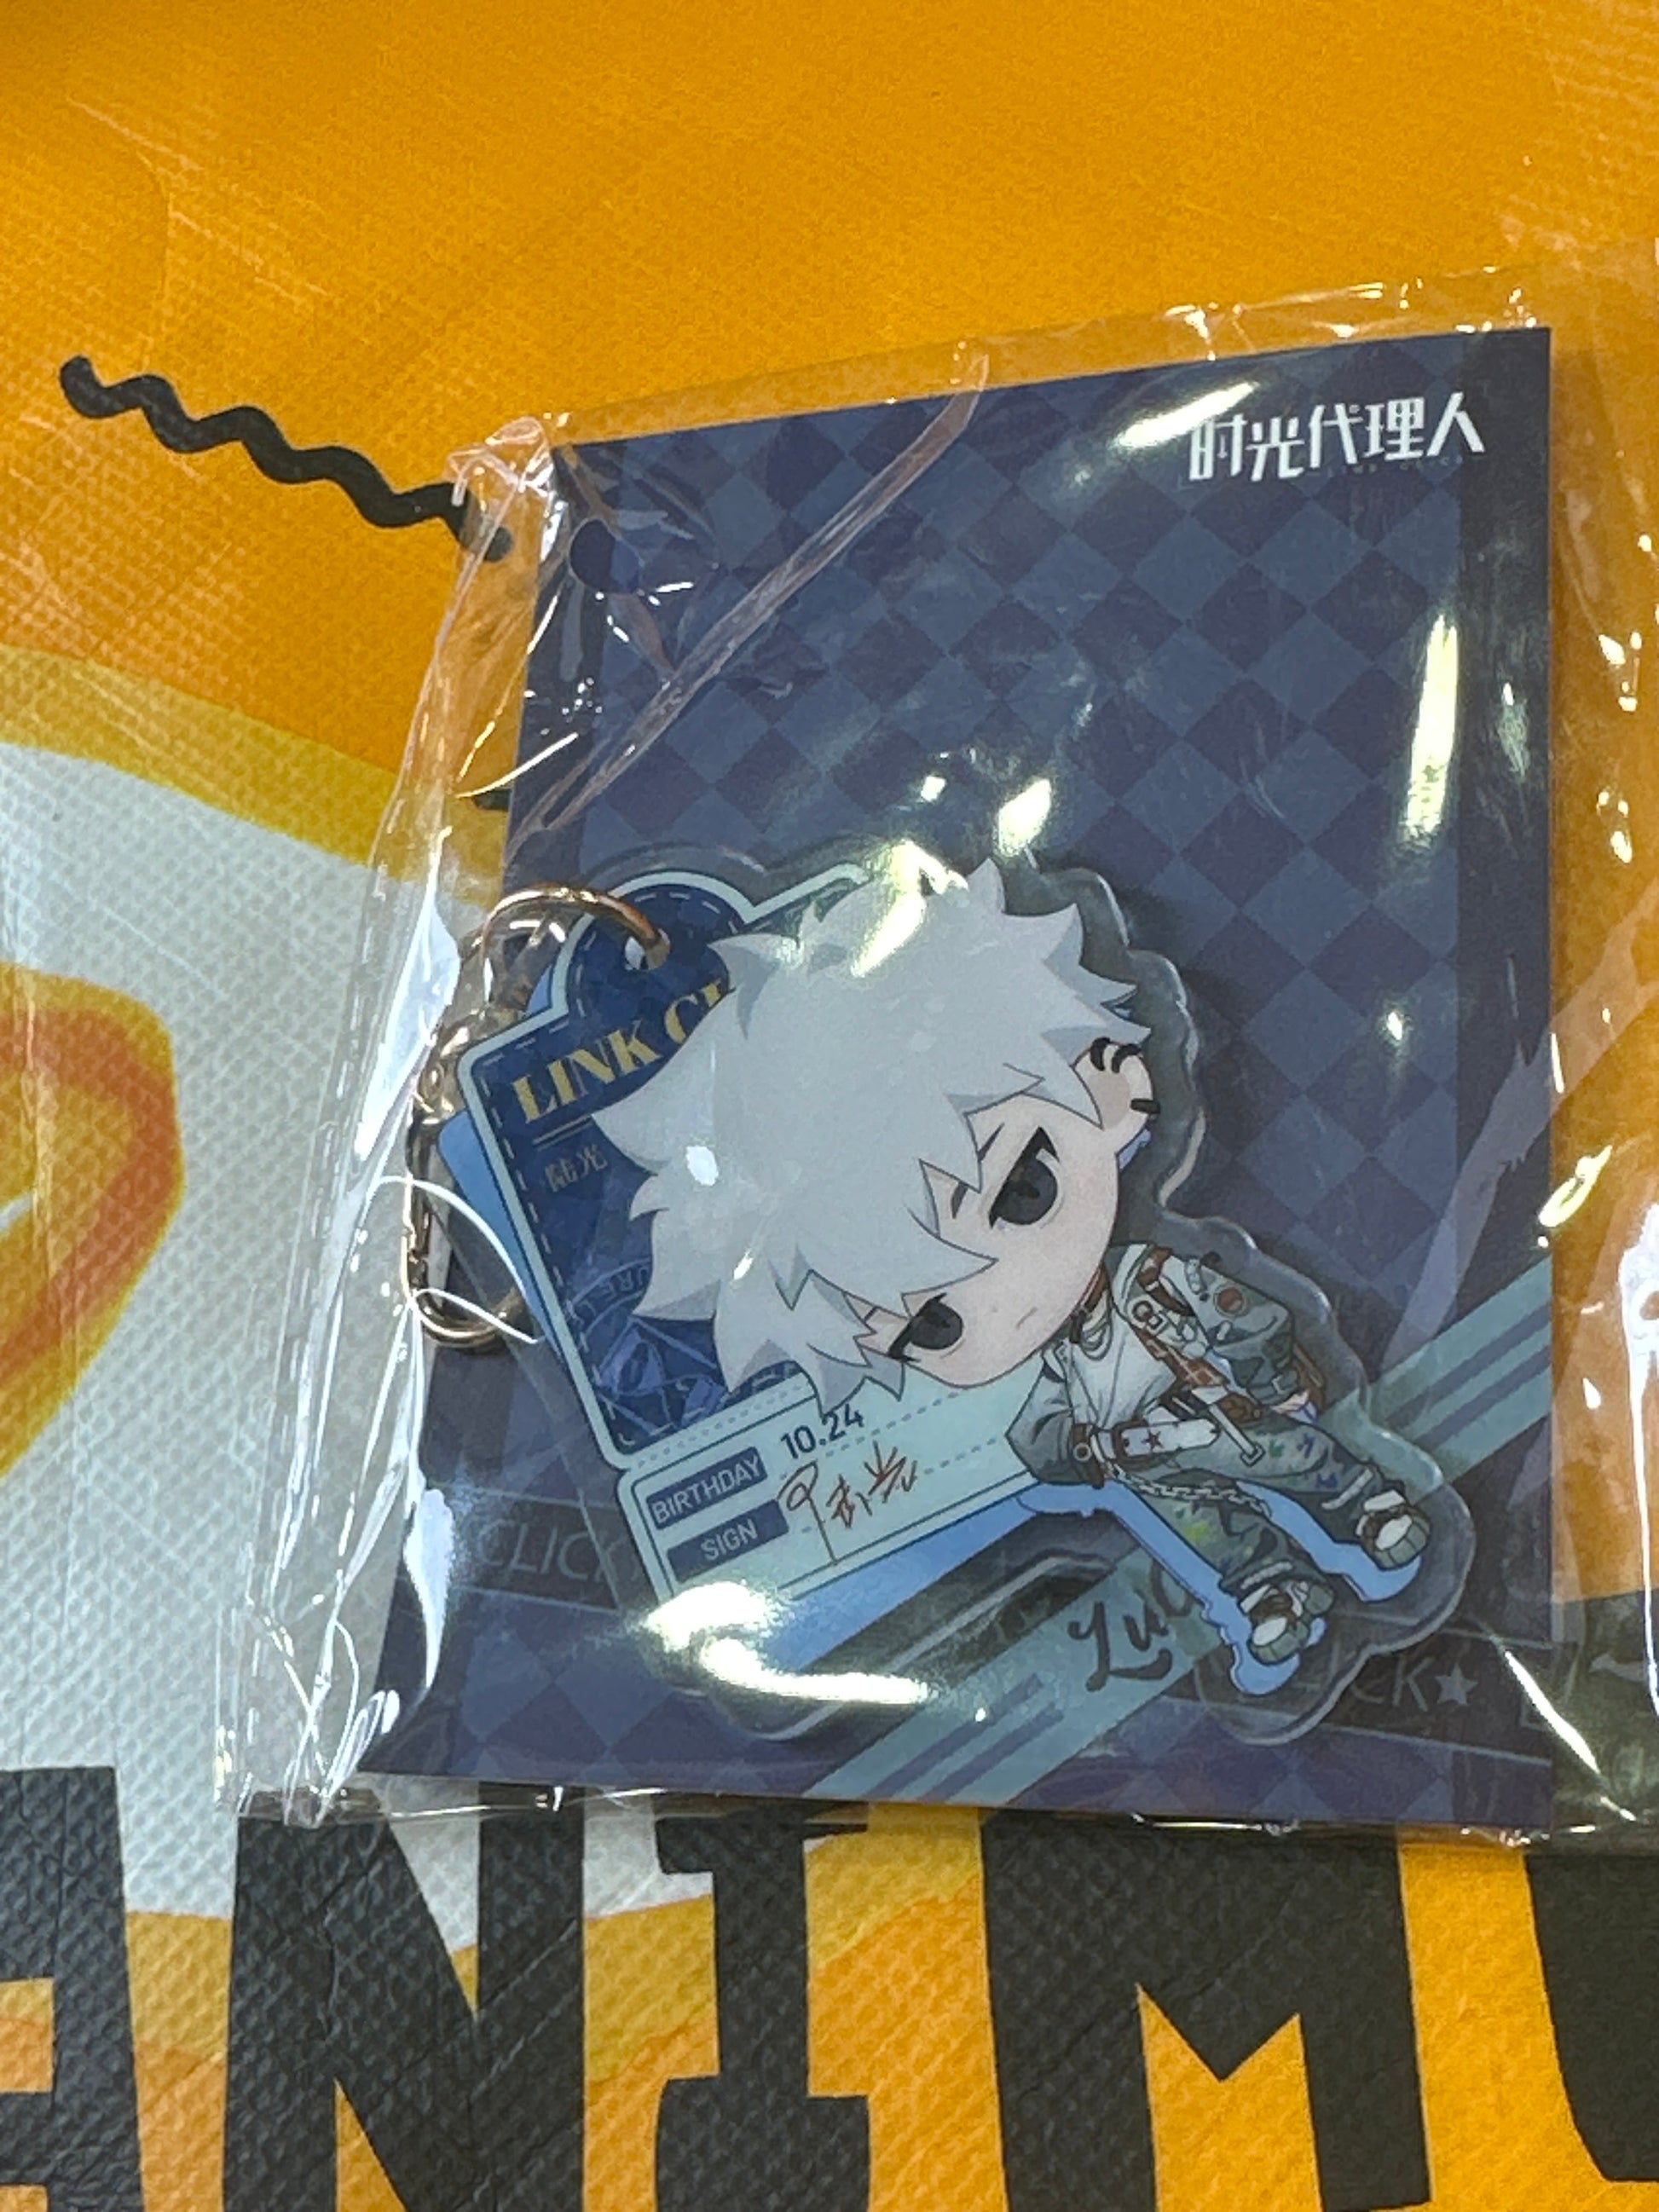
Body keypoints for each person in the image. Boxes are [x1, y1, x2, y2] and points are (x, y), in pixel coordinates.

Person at [596, 856, 1437, 1693]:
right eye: (933, 1323)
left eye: (1024, 1192)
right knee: (1202, 1525)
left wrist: (1273, 1380)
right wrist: (1082, 1452)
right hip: (1146, 1463)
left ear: (1109, 1088)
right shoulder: (1050, 1377)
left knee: (1290, 1458)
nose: (1004, 1292)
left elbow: (1240, 1314)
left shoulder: (1150, 1281)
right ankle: (1266, 1587)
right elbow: (1040, 1439)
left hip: (1227, 1411)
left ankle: (1361, 1502)